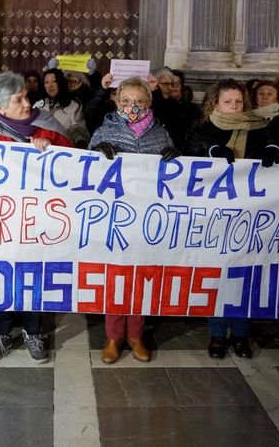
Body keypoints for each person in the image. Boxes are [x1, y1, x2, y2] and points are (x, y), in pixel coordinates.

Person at [0, 72, 74, 363]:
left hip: (39, 220)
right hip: (0, 221)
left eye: (26, 95)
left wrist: (50, 152)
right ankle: (1, 333)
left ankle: (33, 332)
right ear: (0, 107)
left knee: (32, 275)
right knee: (1, 275)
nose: (28, 103)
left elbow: (74, 167)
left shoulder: (48, 126)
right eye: (19, 100)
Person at [185, 79, 279, 358]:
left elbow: (275, 144)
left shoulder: (259, 126)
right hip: (214, 215)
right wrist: (210, 152)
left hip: (249, 213)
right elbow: (189, 154)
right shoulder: (203, 128)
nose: (234, 107)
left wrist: (274, 149)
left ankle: (240, 334)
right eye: (228, 102)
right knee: (217, 275)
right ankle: (217, 333)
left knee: (244, 275)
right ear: (215, 103)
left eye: (238, 102)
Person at [88, 76, 180, 364]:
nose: (132, 106)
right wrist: (95, 154)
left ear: (149, 103)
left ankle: (136, 335)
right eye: (126, 101)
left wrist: (177, 159)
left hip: (147, 218)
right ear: (116, 101)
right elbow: (85, 172)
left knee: (141, 278)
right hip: (116, 218)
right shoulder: (106, 130)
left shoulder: (160, 135)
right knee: (116, 278)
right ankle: (114, 336)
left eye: (139, 101)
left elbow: (176, 179)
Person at [35, 68, 90, 147]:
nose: (50, 85)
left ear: (60, 82)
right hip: (41, 148)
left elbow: (77, 128)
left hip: (62, 149)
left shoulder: (73, 104)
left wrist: (80, 142)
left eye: (54, 81)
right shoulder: (39, 105)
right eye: (46, 82)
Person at [152, 67, 199, 151]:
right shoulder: (152, 104)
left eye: (178, 83)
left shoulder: (190, 109)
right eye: (168, 84)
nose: (174, 87)